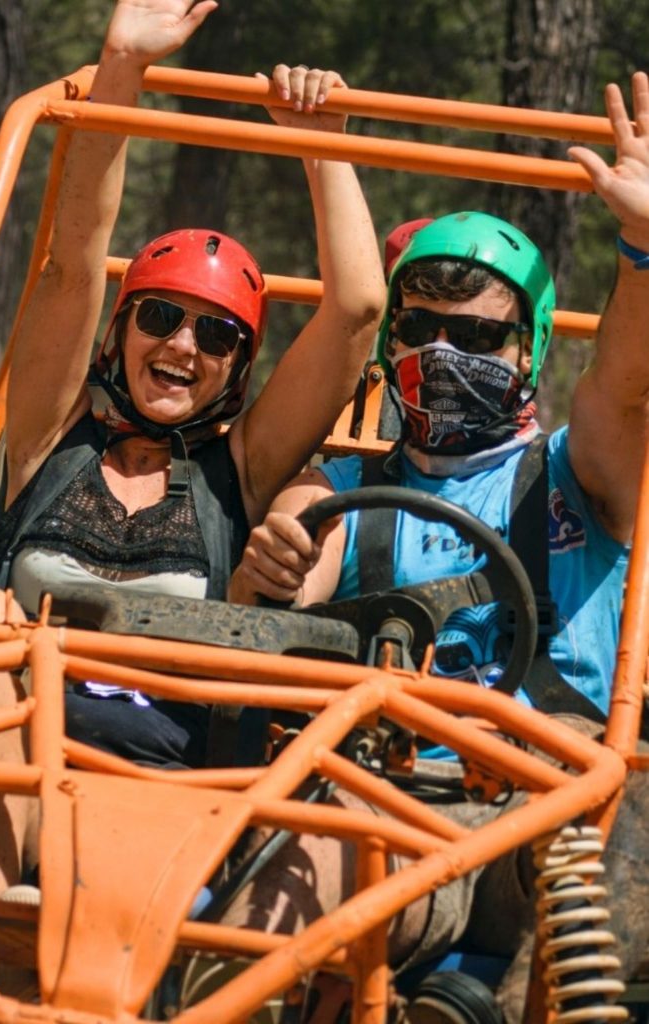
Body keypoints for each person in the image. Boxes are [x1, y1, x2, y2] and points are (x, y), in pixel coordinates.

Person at [0, 0, 384, 903]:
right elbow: (70, 259)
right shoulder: (51, 439)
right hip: (8, 781)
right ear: (117, 329)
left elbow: (358, 310)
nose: (182, 346)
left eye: (215, 336)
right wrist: (121, 67)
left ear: (237, 370)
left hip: (165, 796)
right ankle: (0, 924)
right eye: (161, 316)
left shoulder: (236, 473)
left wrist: (319, 138)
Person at [228, 72, 649, 1022]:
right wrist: (272, 572)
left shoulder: (581, 470)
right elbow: (289, 565)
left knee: (601, 874)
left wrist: (644, 249)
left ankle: (480, 1007)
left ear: (529, 350)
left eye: (477, 336)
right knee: (264, 916)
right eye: (419, 330)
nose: (441, 354)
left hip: (561, 794)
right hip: (390, 791)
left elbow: (625, 383)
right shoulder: (341, 488)